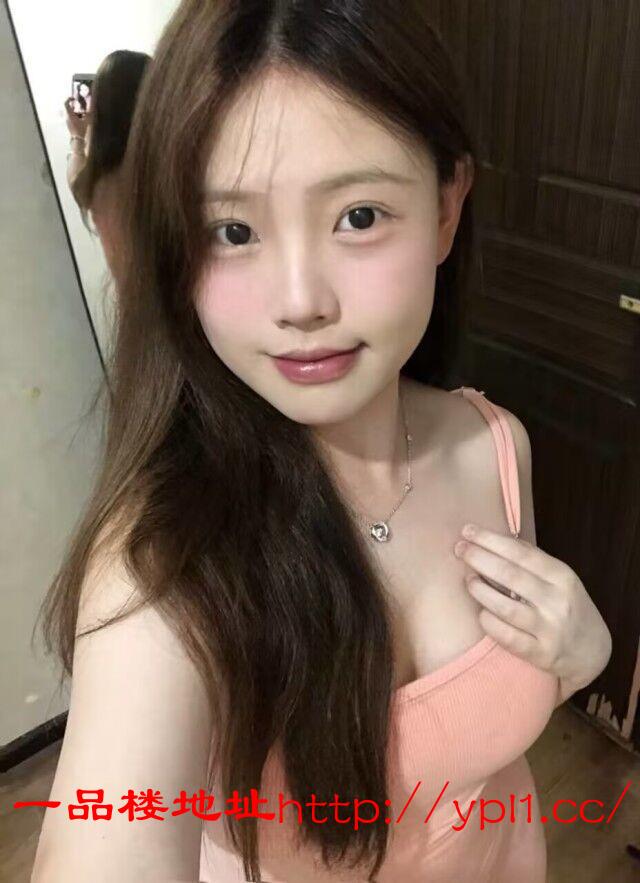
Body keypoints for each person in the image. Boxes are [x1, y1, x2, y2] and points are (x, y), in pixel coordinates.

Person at [33, 2, 612, 882]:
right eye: (233, 231)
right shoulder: (165, 566)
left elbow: (478, 727)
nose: (301, 300)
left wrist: (583, 657)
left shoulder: (496, 445)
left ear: (447, 207)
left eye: (360, 215)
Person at [64, 50, 151, 291]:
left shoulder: (94, 184)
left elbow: (74, 176)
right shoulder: (158, 171)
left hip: (133, 305)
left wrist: (77, 135)